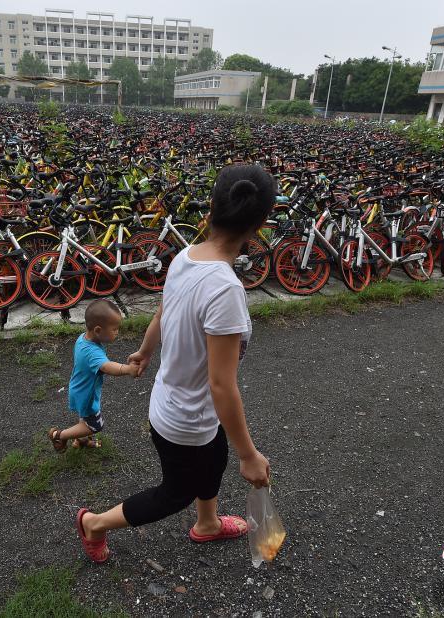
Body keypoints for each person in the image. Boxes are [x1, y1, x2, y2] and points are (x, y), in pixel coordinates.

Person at [75, 164, 275, 563]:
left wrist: (147, 351)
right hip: (185, 417)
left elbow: (163, 312)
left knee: (215, 456)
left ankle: (209, 524)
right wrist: (250, 454)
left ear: (211, 210)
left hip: (181, 404)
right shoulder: (225, 291)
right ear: (260, 226)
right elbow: (222, 384)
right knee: (175, 492)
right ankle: (94, 524)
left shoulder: (187, 256)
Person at [49, 299, 139, 452]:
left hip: (78, 387)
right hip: (86, 394)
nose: (117, 332)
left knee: (85, 419)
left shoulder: (83, 338)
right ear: (98, 330)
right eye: (114, 329)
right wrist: (127, 369)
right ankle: (59, 435)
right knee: (96, 425)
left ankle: (81, 439)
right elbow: (107, 366)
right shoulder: (92, 353)